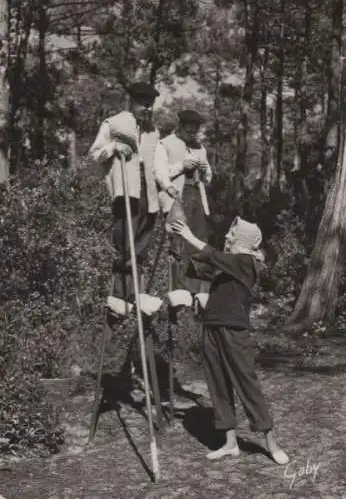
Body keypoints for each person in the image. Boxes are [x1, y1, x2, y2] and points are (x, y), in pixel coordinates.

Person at [170, 216, 289, 465]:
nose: (227, 236)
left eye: (231, 234)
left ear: (243, 239)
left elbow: (214, 257)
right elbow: (198, 265)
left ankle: (272, 442)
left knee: (247, 384)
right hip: (211, 328)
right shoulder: (227, 264)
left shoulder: (247, 263)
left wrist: (190, 236)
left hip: (234, 331)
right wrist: (178, 247)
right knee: (218, 385)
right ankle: (230, 443)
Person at [89, 82, 160, 301]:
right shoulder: (113, 123)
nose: (147, 109)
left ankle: (135, 294)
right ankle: (118, 296)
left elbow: (157, 163)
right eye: (143, 104)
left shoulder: (152, 130)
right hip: (127, 192)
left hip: (148, 193)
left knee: (142, 243)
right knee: (123, 244)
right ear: (132, 102)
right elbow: (94, 154)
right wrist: (113, 148)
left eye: (151, 105)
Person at [154, 109, 212, 295]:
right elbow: (160, 174)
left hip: (197, 199)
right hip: (176, 201)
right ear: (180, 127)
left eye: (195, 131)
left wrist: (204, 171)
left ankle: (198, 297)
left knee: (198, 246)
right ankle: (177, 299)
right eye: (189, 131)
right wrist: (182, 166)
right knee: (178, 248)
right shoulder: (165, 144)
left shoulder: (200, 147)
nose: (192, 135)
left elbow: (208, 177)